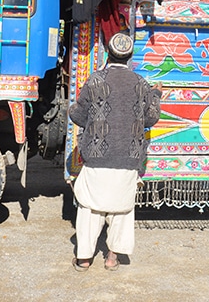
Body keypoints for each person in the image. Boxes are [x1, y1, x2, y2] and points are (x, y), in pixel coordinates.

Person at [68, 32, 161, 271]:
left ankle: (84, 259)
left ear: (107, 53)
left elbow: (78, 115)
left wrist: (73, 108)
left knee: (90, 208)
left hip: (98, 156)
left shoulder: (96, 80)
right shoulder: (141, 83)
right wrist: (156, 95)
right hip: (129, 157)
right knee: (122, 210)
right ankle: (111, 258)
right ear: (129, 56)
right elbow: (151, 118)